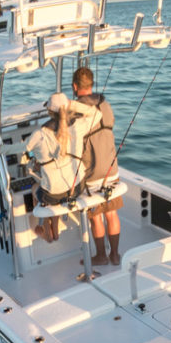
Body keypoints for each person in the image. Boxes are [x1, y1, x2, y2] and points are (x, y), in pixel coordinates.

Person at [24, 92, 100, 243]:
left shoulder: (40, 134)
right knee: (56, 188)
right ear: (67, 109)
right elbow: (96, 113)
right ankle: (55, 230)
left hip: (54, 195)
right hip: (77, 188)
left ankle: (48, 233)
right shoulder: (79, 126)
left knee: (37, 189)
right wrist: (72, 104)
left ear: (49, 112)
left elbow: (25, 149)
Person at [73, 66, 123, 265]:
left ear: (75, 86)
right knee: (112, 213)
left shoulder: (76, 110)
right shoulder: (105, 104)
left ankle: (101, 256)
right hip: (112, 168)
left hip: (92, 172)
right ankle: (115, 255)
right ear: (91, 84)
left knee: (96, 217)